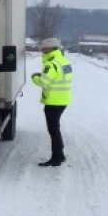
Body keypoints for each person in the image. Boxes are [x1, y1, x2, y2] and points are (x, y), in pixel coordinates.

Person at [31, 37, 73, 167]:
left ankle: (56, 158)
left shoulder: (51, 64)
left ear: (49, 49)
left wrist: (35, 77)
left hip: (53, 101)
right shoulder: (64, 61)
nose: (42, 51)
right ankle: (60, 155)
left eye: (44, 49)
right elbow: (59, 77)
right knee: (55, 129)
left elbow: (44, 82)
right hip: (62, 100)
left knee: (53, 130)